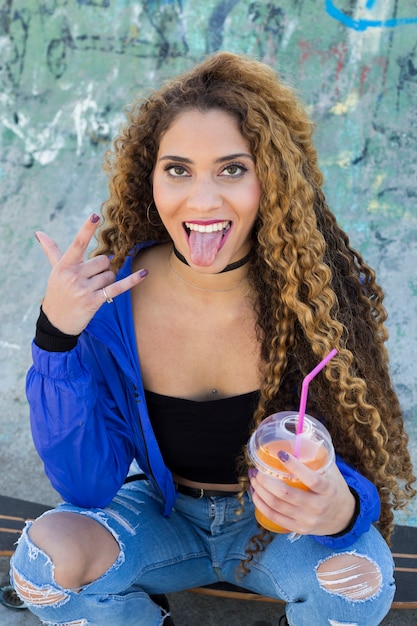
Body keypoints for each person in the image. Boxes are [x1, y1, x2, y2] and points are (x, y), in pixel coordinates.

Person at [10, 51, 415, 626]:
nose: (202, 201)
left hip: (278, 532)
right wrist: (57, 337)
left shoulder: (317, 296)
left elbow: (351, 464)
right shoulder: (110, 299)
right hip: (163, 516)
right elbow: (87, 485)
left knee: (360, 584)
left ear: (270, 179)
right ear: (151, 176)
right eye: (178, 169)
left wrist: (342, 508)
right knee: (43, 566)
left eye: (232, 169)